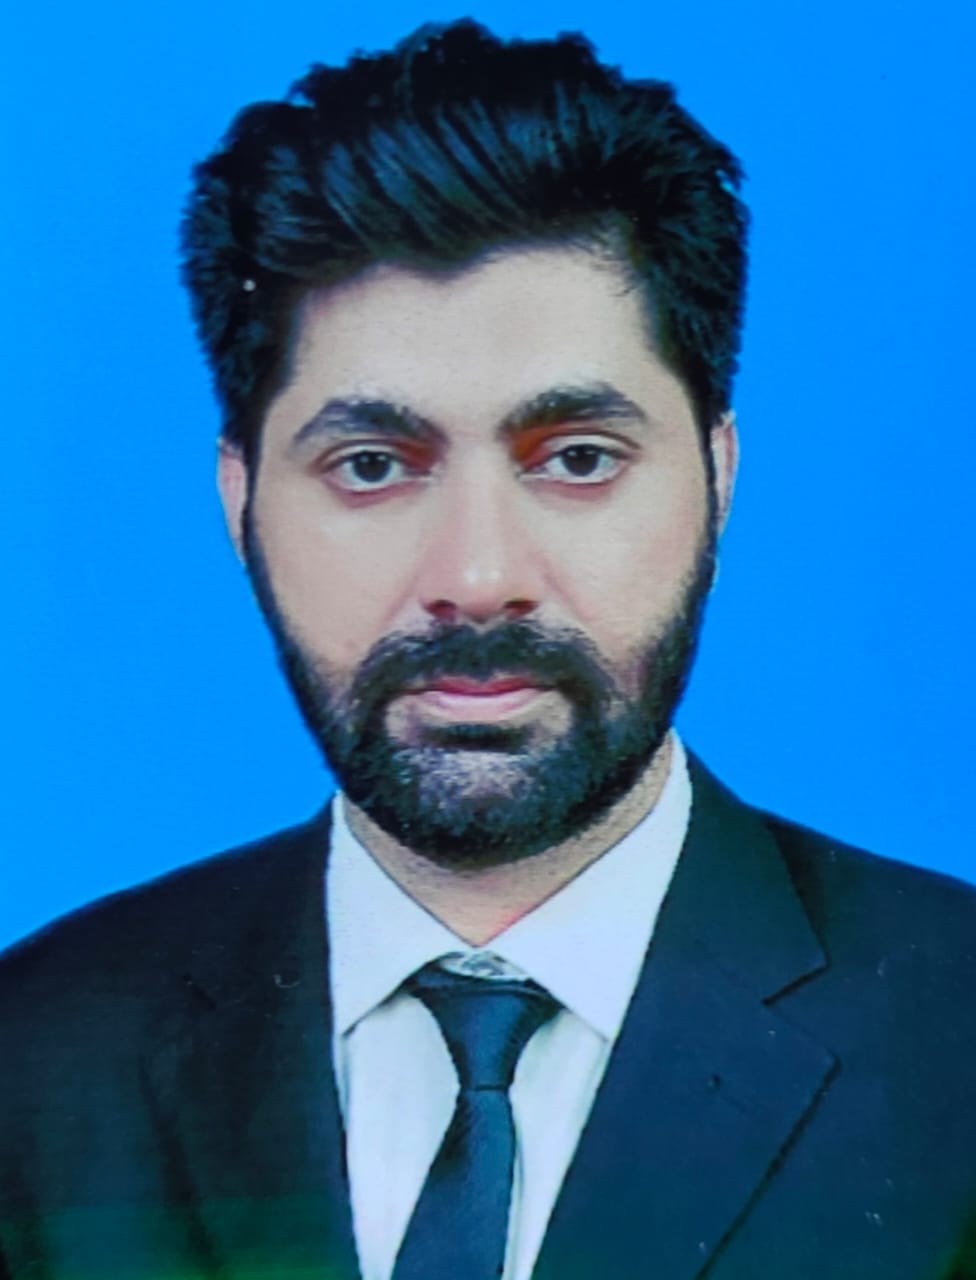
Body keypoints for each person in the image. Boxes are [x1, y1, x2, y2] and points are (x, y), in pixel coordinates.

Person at [1, 19, 974, 1280]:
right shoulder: (35, 1055)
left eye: (577, 458)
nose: (473, 578)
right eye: (371, 465)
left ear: (717, 475)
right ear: (239, 502)